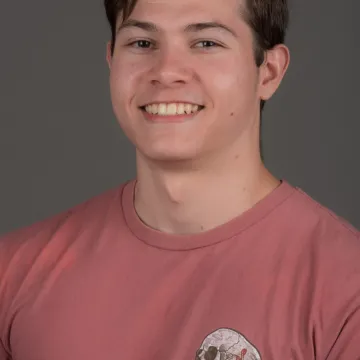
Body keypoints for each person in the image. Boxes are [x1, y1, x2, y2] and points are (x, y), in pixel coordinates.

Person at [0, 0, 359, 358]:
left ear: (269, 72)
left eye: (206, 43)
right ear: (111, 61)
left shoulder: (346, 288)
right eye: (142, 43)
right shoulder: (12, 273)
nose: (167, 71)